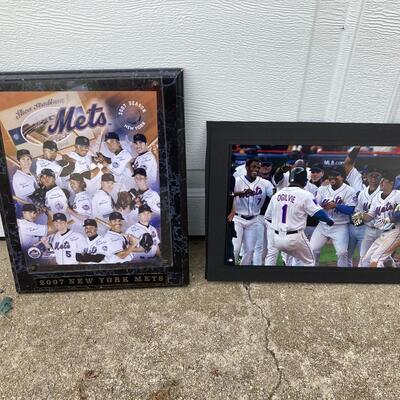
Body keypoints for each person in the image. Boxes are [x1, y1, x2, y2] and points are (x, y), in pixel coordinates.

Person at [266, 167, 334, 266]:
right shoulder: (305, 194)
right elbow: (318, 213)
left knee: (289, 261)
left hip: (277, 238)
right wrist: (329, 220)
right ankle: (305, 282)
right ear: (305, 181)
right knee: (310, 261)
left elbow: (268, 217)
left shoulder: (277, 194)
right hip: (295, 237)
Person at [310, 167, 357, 267]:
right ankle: (314, 271)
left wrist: (336, 205)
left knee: (342, 252)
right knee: (313, 249)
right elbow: (314, 204)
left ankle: (342, 276)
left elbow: (350, 210)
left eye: (335, 176)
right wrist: (320, 206)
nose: (332, 178)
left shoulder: (349, 191)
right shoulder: (322, 189)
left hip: (340, 226)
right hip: (322, 225)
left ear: (342, 177)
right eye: (330, 176)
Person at [231, 158, 272, 265]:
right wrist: (239, 193)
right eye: (254, 166)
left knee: (249, 250)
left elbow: (274, 195)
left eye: (258, 167)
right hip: (238, 218)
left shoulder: (265, 183)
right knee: (236, 248)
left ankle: (244, 273)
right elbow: (227, 194)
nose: (256, 169)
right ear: (247, 167)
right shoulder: (237, 181)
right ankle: (231, 270)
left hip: (254, 220)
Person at [359, 172, 400, 267]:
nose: (380, 183)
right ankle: (393, 272)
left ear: (391, 183)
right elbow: (370, 215)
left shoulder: (398, 195)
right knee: (366, 260)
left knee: (376, 260)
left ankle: (377, 281)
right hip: (383, 233)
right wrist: (358, 216)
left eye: (383, 181)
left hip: (395, 232)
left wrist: (386, 220)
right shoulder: (376, 197)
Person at [348, 167, 381, 267]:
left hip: (381, 229)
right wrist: (356, 225)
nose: (373, 178)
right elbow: (358, 211)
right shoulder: (363, 193)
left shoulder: (383, 193)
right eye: (371, 176)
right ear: (367, 177)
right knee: (364, 257)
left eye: (376, 176)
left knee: (381, 256)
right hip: (367, 229)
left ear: (381, 178)